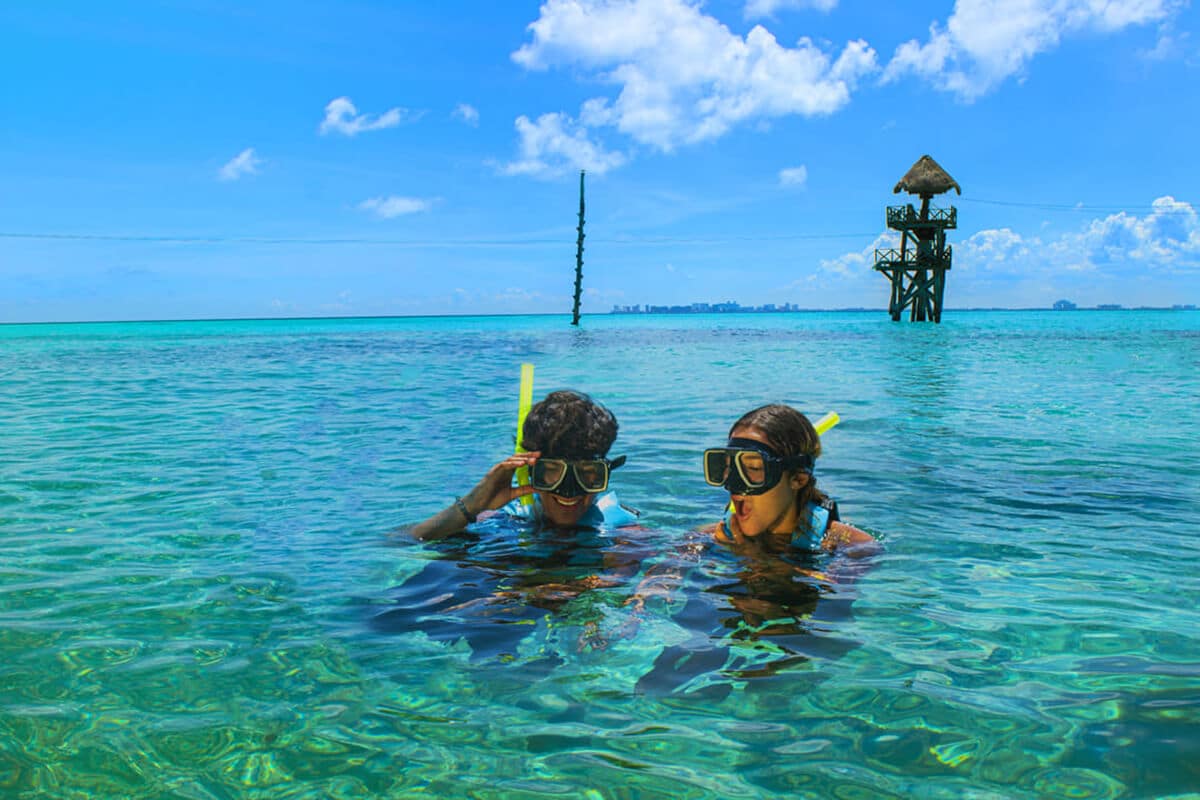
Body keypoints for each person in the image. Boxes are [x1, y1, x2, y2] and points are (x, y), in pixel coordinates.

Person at [410, 389, 639, 540]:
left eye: (587, 475)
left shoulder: (624, 534)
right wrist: (472, 504)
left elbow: (667, 563)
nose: (569, 490)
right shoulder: (501, 518)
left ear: (604, 476)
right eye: (551, 473)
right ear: (528, 471)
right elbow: (403, 542)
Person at [703, 403, 875, 554]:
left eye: (754, 468)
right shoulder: (708, 539)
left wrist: (751, 561)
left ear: (798, 479)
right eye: (729, 469)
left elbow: (837, 590)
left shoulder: (853, 547)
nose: (735, 485)